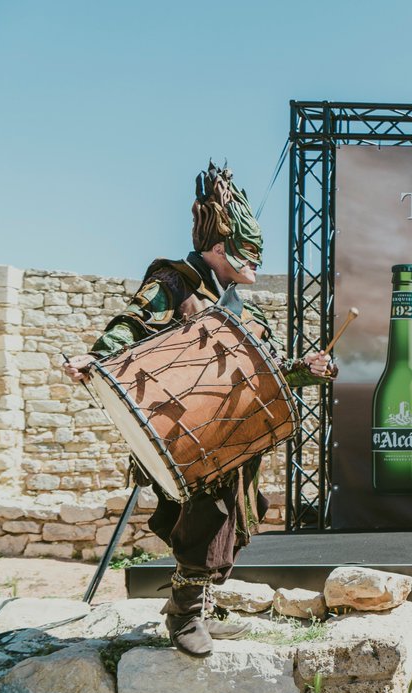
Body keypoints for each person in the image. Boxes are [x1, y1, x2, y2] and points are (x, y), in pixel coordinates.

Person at [64, 162, 337, 657]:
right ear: (218, 249)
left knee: (243, 513)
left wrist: (305, 368)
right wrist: (96, 356)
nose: (257, 259)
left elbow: (267, 369)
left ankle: (200, 605)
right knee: (209, 514)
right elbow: (130, 321)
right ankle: (185, 613)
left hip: (231, 436)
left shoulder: (245, 309)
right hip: (182, 431)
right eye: (247, 250)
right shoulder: (175, 281)